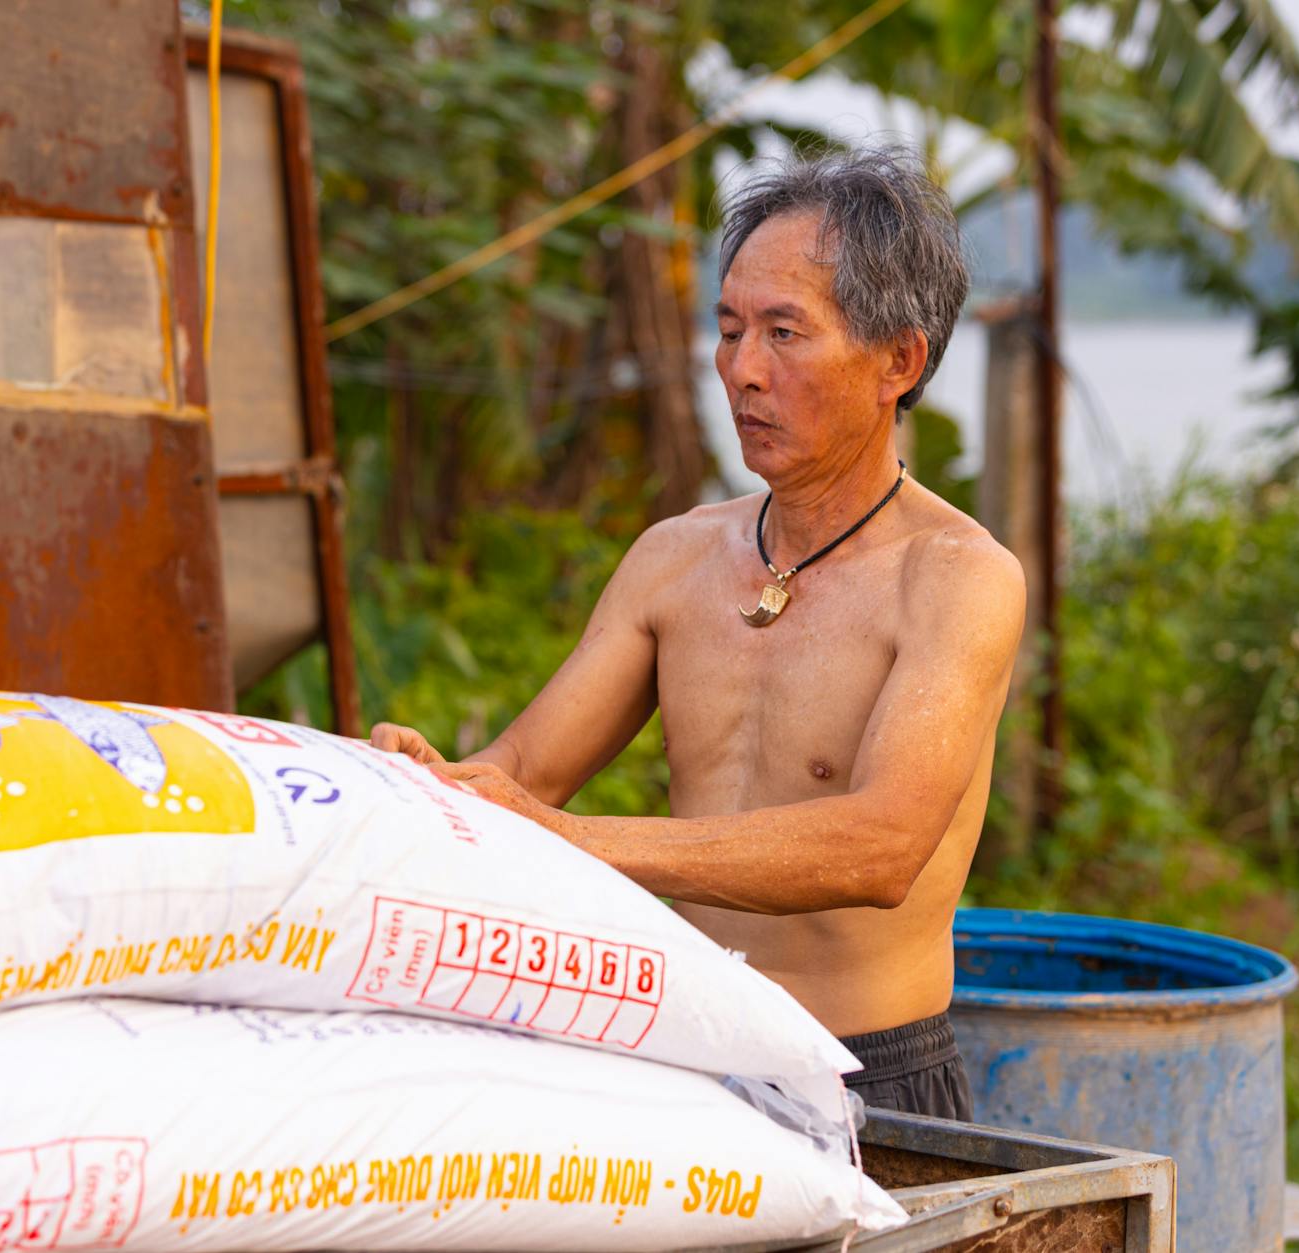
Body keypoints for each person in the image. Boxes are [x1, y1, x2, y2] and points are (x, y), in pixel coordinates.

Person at [371, 148, 1025, 1121]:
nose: (742, 370)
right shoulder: (674, 558)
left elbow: (879, 847)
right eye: (727, 330)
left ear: (899, 359)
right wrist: (422, 784)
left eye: (783, 332)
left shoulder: (955, 576)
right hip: (684, 1062)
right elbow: (523, 771)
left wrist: (577, 841)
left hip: (867, 1080)